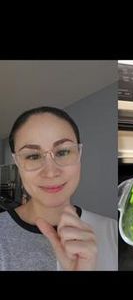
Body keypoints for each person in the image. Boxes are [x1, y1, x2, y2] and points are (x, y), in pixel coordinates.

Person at [0, 106, 118, 271]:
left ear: (79, 155)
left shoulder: (112, 231)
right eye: (33, 156)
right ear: (17, 163)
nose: (51, 172)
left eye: (62, 152)